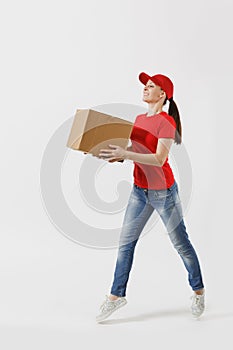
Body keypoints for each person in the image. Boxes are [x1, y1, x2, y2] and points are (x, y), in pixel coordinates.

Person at [96, 72, 205, 323]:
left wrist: (127, 153)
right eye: (145, 85)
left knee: (180, 244)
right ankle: (116, 296)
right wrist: (120, 155)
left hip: (163, 193)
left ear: (162, 95)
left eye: (151, 86)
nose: (146, 88)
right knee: (126, 244)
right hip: (139, 191)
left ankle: (198, 291)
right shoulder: (139, 118)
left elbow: (159, 159)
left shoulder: (166, 122)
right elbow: (136, 152)